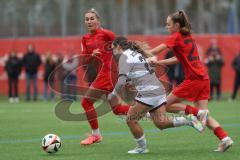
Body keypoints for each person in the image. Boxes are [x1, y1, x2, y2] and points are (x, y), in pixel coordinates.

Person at [148, 10, 233, 152]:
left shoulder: (176, 36)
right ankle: (225, 138)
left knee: (165, 105)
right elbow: (177, 59)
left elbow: (157, 50)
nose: (166, 27)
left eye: (168, 24)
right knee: (204, 114)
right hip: (203, 79)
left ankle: (197, 113)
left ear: (176, 25)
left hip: (193, 80)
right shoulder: (188, 36)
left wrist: (141, 53)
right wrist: (159, 63)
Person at [110, 36, 204, 154]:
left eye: (113, 48)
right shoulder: (135, 54)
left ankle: (142, 148)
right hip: (158, 90)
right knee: (161, 123)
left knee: (130, 120)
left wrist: (113, 94)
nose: (113, 51)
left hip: (148, 92)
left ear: (119, 46)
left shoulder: (124, 57)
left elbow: (122, 79)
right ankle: (189, 120)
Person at [79, 8, 131, 145]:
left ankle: (96, 135)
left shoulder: (107, 34)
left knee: (86, 102)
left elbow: (123, 48)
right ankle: (147, 110)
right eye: (87, 19)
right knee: (117, 110)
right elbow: (83, 61)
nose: (89, 21)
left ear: (98, 20)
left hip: (108, 73)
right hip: (101, 74)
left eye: (92, 18)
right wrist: (91, 56)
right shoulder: (85, 39)